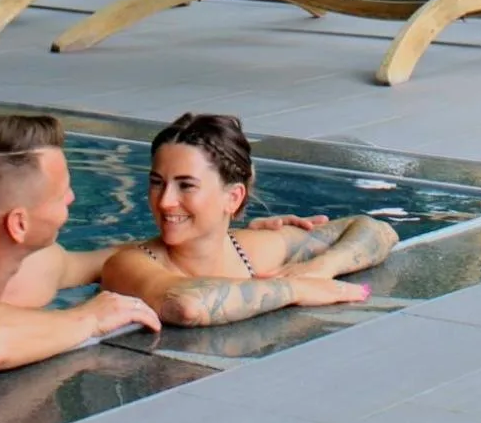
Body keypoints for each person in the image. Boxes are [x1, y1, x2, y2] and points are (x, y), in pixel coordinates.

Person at [0, 112, 324, 373]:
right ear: (17, 224)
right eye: (62, 194)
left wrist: (217, 223)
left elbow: (126, 255)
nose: (74, 201)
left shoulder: (40, 264)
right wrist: (88, 318)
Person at [100, 112, 398, 326]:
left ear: (233, 197)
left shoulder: (249, 250)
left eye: (186, 185)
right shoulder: (129, 264)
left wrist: (321, 267)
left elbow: (375, 230)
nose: (165, 201)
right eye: (156, 182)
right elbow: (187, 306)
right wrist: (296, 289)